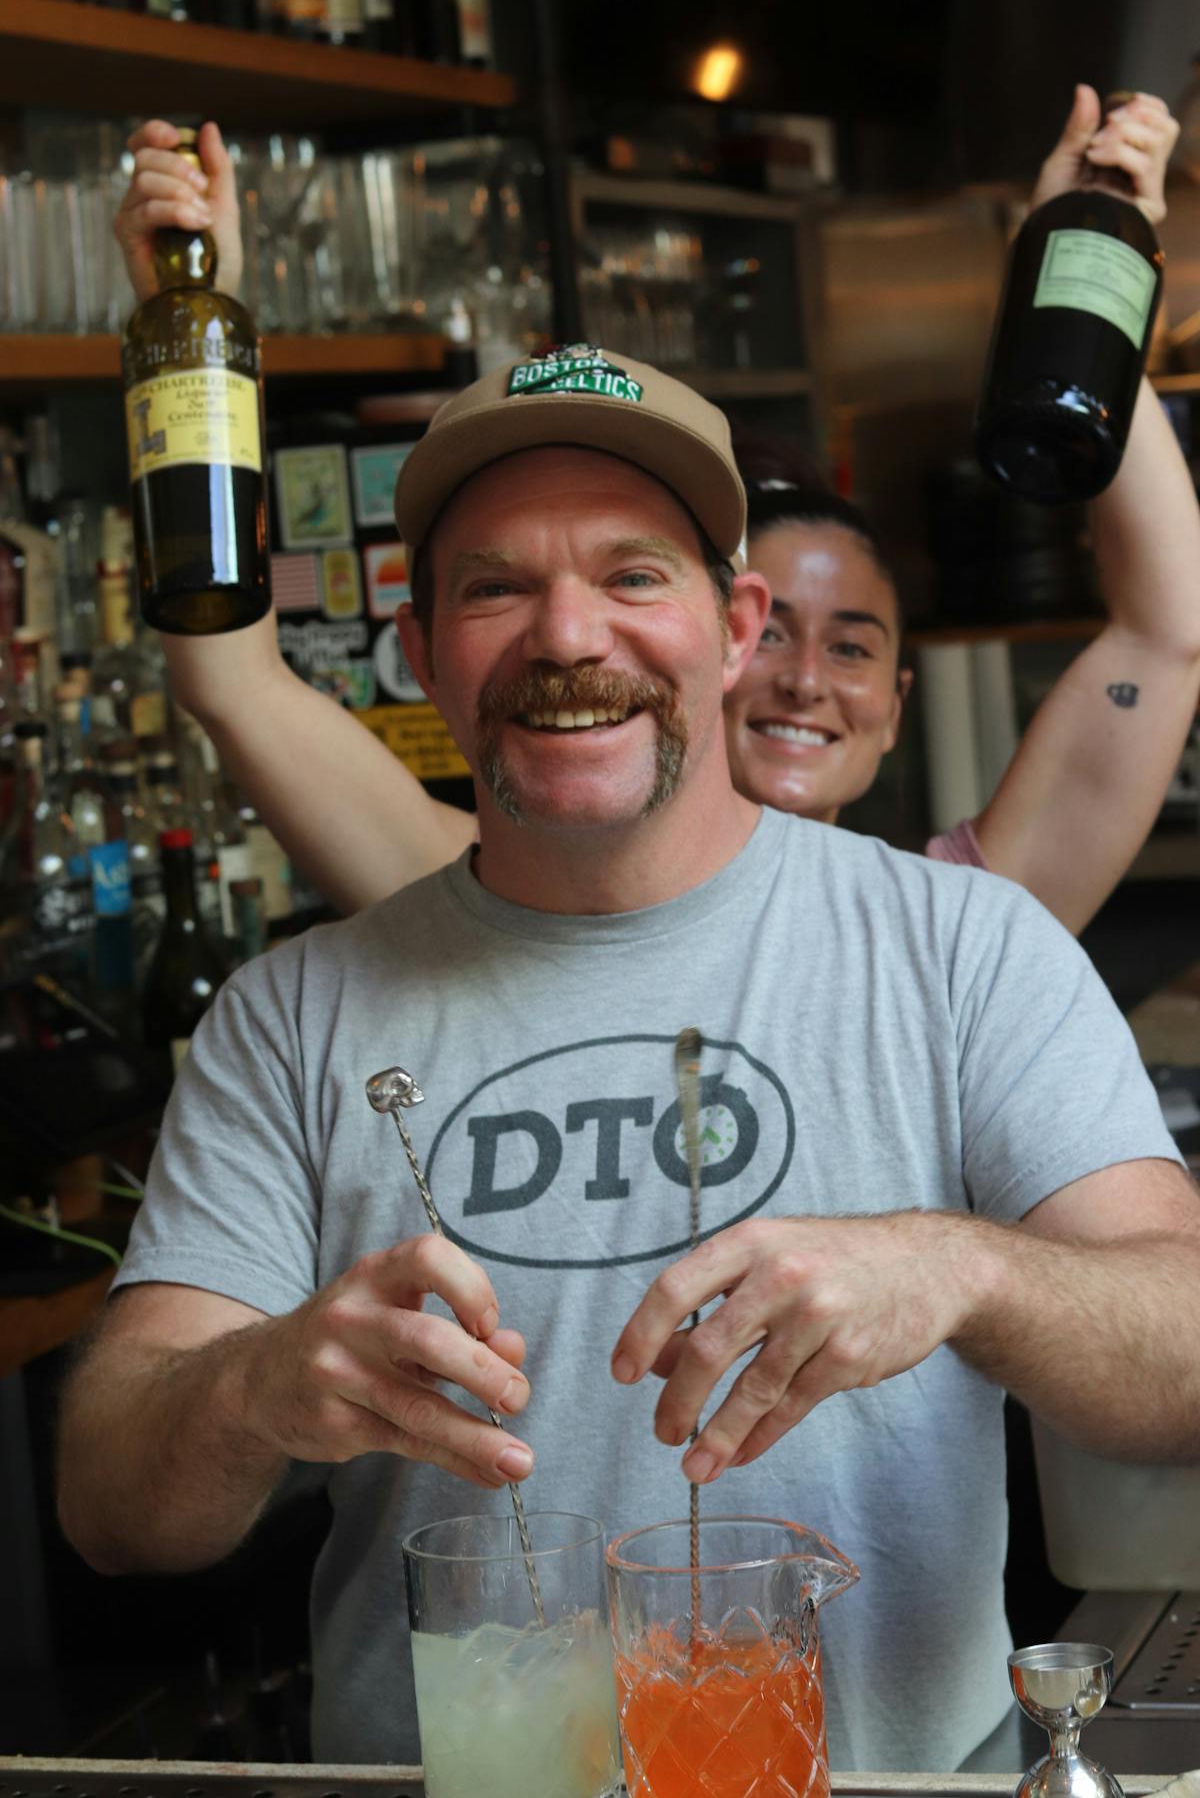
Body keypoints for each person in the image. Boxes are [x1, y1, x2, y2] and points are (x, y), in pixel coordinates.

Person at [58, 343, 1200, 1775]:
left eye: (631, 576)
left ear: (733, 627)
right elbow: (110, 1502)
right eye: (495, 586)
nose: (568, 635)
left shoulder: (963, 949)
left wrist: (960, 1268)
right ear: (421, 652)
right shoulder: (295, 1017)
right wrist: (257, 1383)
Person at [112, 91, 1200, 934]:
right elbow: (231, 675)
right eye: (771, 633)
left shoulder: (949, 929)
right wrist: (196, 320)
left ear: (898, 704)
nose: (804, 679)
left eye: (853, 646)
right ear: (721, 639)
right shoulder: (476, 899)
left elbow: (1166, 633)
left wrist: (1087, 262)